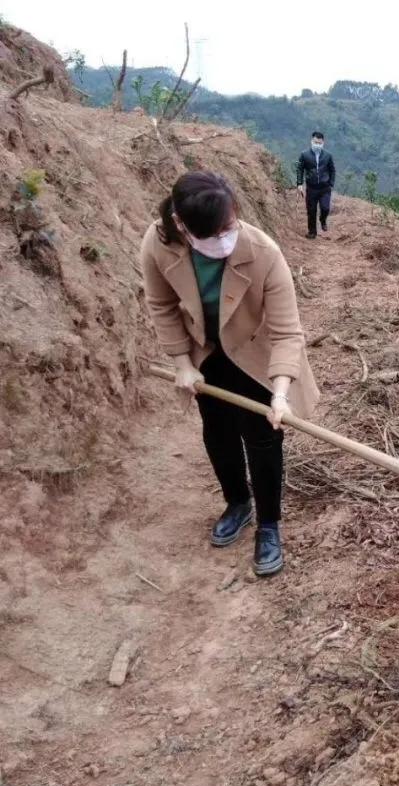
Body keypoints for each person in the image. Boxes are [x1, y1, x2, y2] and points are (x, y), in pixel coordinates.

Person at [141, 172, 320, 576]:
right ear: (184, 229)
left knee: (262, 437)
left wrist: (279, 393)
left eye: (230, 225)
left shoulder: (264, 252)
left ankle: (269, 524)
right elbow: (162, 306)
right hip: (206, 351)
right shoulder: (159, 242)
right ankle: (238, 502)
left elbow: (287, 331)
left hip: (256, 353)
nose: (226, 237)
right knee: (217, 430)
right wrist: (183, 364)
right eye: (215, 233)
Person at [296, 131, 336, 239]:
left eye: (319, 143)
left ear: (323, 143)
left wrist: (331, 183)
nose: (317, 144)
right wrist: (299, 184)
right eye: (315, 142)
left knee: (325, 208)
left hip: (325, 188)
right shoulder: (304, 155)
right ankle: (312, 232)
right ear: (311, 141)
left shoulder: (328, 156)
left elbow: (332, 170)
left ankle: (323, 220)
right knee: (311, 210)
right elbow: (300, 169)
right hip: (312, 188)